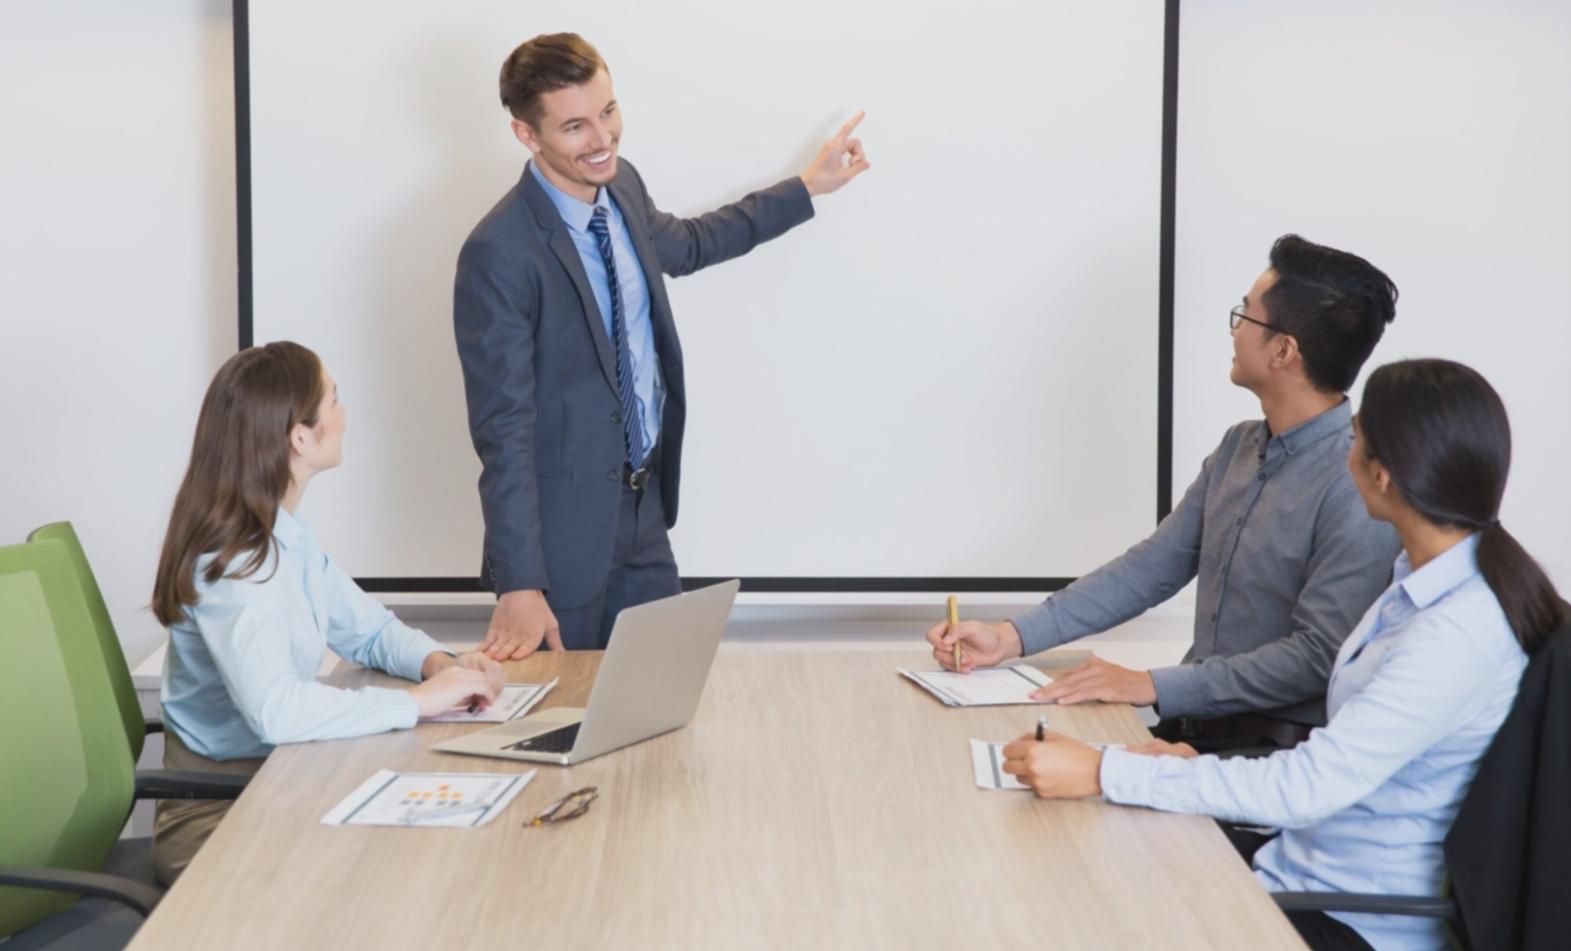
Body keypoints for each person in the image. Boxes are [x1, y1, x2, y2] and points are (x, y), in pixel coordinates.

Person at [999, 359, 1565, 951]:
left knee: (1081, 913)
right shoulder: (1421, 588)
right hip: (1295, 868)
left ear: (1380, 475)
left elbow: (1310, 788)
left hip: (1348, 919)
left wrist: (1102, 771)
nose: (1346, 446)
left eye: (1358, 437)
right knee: (1084, 862)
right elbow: (1343, 761)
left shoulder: (1455, 633)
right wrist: (1182, 764)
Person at [455, 33, 869, 657]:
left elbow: (692, 243)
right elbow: (503, 427)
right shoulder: (500, 252)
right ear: (526, 135)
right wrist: (520, 580)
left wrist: (809, 187)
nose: (603, 139)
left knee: (655, 705)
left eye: (608, 111)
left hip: (643, 511)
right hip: (559, 541)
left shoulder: (623, 191)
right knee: (557, 729)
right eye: (575, 127)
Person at [929, 235, 1402, 751]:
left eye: (1245, 316)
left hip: (1270, 757)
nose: (1235, 329)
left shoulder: (1356, 481)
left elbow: (1318, 656)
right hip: (1186, 736)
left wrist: (1151, 683)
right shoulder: (1239, 447)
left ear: (1284, 350)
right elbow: (1151, 568)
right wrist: (1009, 638)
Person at [149, 341, 504, 883]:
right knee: (396, 870)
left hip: (282, 782)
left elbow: (368, 630)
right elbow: (276, 710)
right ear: (300, 434)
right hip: (221, 814)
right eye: (335, 400)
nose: (344, 414)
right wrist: (416, 704)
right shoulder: (233, 565)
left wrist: (441, 665)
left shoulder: (286, 536)